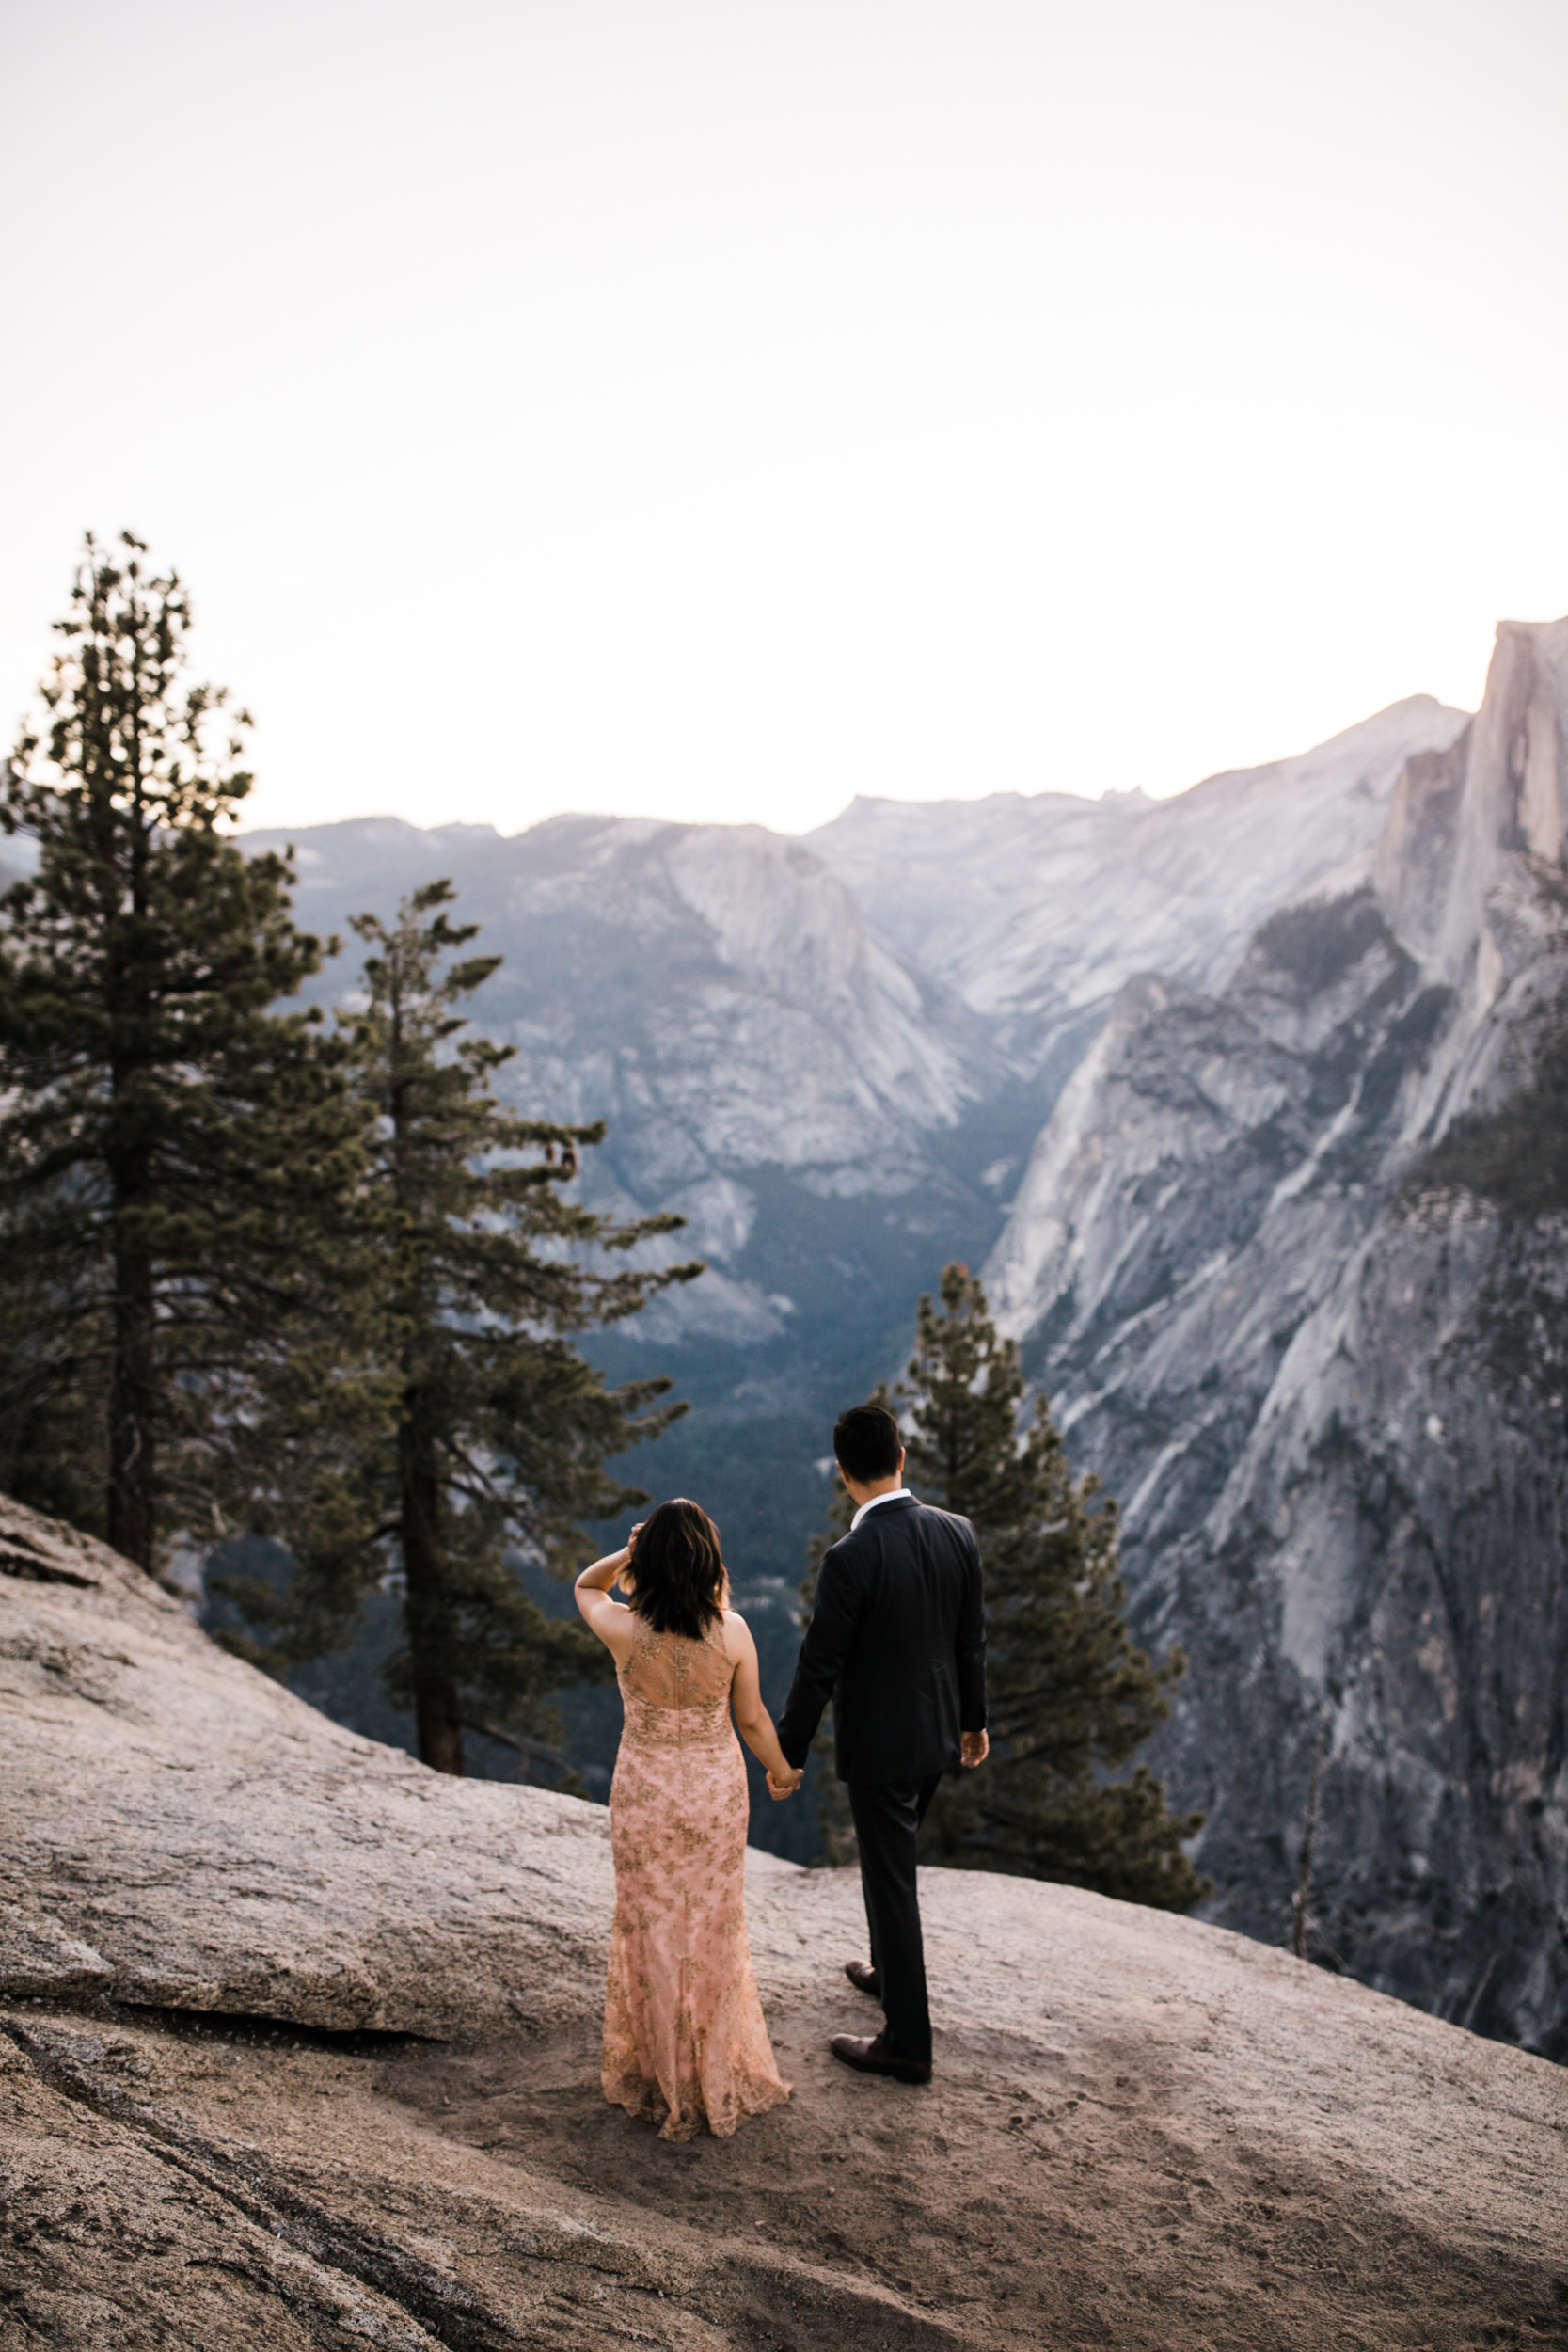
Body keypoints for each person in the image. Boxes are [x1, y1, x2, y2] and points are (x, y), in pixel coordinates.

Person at [576, 1498, 802, 2140]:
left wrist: (627, 1551)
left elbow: (585, 1585)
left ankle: (658, 2073)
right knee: (711, 1923)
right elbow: (753, 1720)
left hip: (644, 1790)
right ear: (709, 1558)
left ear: (648, 1561)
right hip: (713, 1792)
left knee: (650, 1923)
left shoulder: (623, 1628)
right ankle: (709, 2065)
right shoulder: (731, 1631)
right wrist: (782, 1772)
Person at [775, 1402, 988, 2085]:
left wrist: (788, 1753)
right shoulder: (957, 1532)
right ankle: (887, 1974)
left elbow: (818, 1666)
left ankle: (906, 2043)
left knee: (892, 1884)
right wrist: (974, 1722)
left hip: (881, 1748)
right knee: (891, 1868)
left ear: (843, 1474)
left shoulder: (850, 1556)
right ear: (900, 1458)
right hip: (936, 1737)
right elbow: (969, 1640)